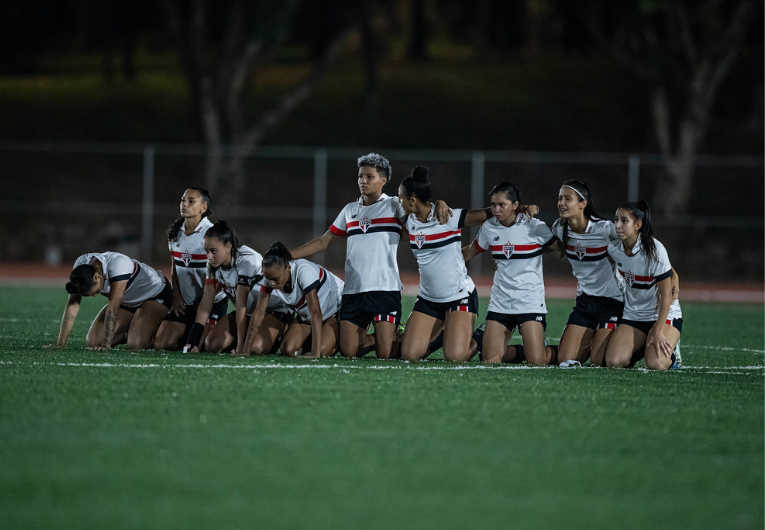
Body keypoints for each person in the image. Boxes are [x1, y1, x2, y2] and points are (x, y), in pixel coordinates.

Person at [290, 153, 450, 360]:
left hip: (384, 290)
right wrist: (288, 255)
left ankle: (431, 338)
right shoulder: (350, 210)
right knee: (349, 352)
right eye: (360, 176)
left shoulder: (395, 206)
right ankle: (391, 335)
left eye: (369, 177)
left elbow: (420, 211)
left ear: (383, 181)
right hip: (353, 291)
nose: (363, 181)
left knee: (386, 354)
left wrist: (439, 203)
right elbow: (324, 241)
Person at [397, 166, 491, 362]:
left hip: (458, 296)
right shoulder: (409, 221)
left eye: (401, 198)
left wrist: (520, 209)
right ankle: (445, 335)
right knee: (409, 355)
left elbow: (487, 214)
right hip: (428, 299)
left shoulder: (449, 217)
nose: (398, 202)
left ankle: (480, 336)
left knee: (456, 357)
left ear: (412, 201)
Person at [462, 182, 559, 365]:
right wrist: (444, 257)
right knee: (490, 360)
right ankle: (521, 350)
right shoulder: (489, 227)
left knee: (537, 361)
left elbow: (559, 248)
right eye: (493, 205)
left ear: (515, 205)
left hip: (529, 301)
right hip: (501, 302)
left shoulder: (535, 226)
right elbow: (470, 251)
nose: (496, 210)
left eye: (501, 205)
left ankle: (558, 352)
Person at [551, 180, 624, 367]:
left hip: (612, 302)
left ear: (583, 203)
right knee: (564, 359)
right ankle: (595, 339)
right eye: (560, 198)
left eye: (568, 198)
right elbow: (552, 245)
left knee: (600, 361)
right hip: (585, 301)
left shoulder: (605, 229)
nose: (561, 203)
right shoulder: (559, 228)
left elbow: (635, 242)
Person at [604, 201, 682, 371]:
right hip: (634, 314)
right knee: (614, 362)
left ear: (638, 225)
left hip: (663, 314)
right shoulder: (613, 248)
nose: (618, 225)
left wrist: (659, 331)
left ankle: (673, 355)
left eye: (624, 221)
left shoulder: (655, 250)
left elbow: (666, 295)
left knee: (656, 363)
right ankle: (644, 346)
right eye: (616, 220)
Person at [153, 187, 229, 351]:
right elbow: (175, 266)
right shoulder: (174, 232)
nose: (184, 204)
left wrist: (204, 302)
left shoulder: (212, 233)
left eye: (191, 201)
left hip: (211, 302)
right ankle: (186, 330)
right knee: (161, 344)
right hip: (185, 303)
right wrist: (176, 294)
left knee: (205, 346)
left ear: (203, 208)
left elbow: (223, 272)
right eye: (182, 200)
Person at [49, 251, 173, 350]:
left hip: (155, 294)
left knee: (136, 343)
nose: (94, 296)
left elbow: (112, 309)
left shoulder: (117, 265)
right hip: (128, 302)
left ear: (98, 276)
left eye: (96, 292)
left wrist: (106, 345)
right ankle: (131, 327)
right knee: (93, 341)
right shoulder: (81, 266)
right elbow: (73, 304)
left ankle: (163, 324)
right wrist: (61, 343)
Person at [241, 243, 343, 358]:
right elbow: (258, 313)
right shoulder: (270, 277)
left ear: (288, 268)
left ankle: (338, 337)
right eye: (267, 278)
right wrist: (246, 349)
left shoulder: (304, 271)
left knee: (322, 351)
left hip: (333, 309)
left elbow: (316, 313)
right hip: (308, 316)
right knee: (287, 349)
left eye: (275, 279)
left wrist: (315, 353)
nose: (271, 284)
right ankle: (318, 337)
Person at [182, 220, 265, 354]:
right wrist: (193, 340)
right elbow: (206, 302)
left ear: (228, 247)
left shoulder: (247, 260)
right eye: (207, 251)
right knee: (212, 345)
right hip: (244, 313)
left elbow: (241, 305)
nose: (209, 257)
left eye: (213, 251)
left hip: (266, 313)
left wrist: (240, 347)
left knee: (255, 348)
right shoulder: (213, 264)